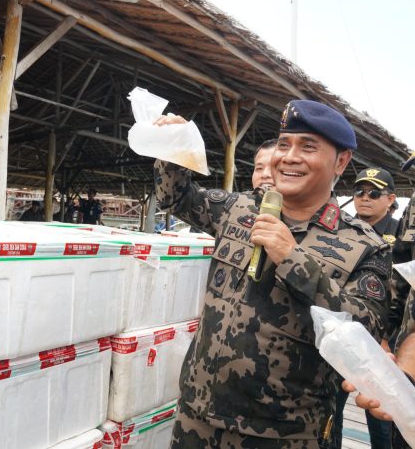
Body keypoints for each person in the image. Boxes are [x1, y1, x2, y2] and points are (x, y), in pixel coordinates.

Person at [154, 100, 391, 448]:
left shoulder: (364, 245)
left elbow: (365, 331)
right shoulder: (238, 207)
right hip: (197, 417)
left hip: (286, 435)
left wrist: (294, 260)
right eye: (284, 144)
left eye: (308, 147)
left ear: (341, 161)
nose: (290, 157)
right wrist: (172, 148)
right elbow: (176, 199)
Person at [331, 167, 399, 448]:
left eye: (374, 192)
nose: (364, 197)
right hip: (343, 337)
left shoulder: (403, 237)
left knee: (382, 420)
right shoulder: (338, 229)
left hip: (385, 344)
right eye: (359, 191)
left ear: (391, 199)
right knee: (330, 414)